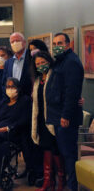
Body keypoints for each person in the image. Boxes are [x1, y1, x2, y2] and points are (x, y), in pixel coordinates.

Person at [46, 33, 84, 191]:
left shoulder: (71, 62)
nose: (57, 46)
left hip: (65, 118)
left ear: (68, 45)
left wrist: (65, 116)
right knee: (64, 153)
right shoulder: (60, 61)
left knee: (69, 155)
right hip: (57, 115)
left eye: (60, 43)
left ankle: (73, 187)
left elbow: (71, 92)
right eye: (54, 44)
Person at [30, 51, 67, 191]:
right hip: (41, 119)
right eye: (38, 64)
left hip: (53, 119)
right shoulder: (38, 80)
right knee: (46, 148)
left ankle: (62, 180)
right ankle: (48, 181)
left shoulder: (56, 76)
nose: (41, 66)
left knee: (56, 149)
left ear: (49, 61)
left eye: (43, 62)